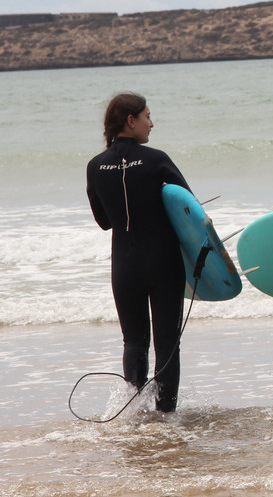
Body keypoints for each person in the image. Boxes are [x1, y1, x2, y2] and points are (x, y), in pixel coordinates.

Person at [86, 93, 189, 413]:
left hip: (125, 266)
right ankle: (166, 417)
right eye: (147, 115)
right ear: (131, 120)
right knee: (167, 343)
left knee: (134, 341)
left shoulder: (94, 166)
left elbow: (104, 222)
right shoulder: (157, 159)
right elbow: (189, 209)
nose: (151, 122)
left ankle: (133, 413)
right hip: (163, 263)